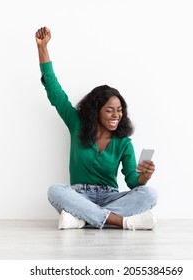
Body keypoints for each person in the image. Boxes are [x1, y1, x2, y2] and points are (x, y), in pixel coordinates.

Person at [35, 26, 158, 230]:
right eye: (110, 110)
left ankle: (82, 218)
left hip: (111, 197)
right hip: (78, 195)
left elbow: (133, 181)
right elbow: (53, 89)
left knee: (150, 194)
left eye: (119, 110)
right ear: (96, 111)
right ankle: (118, 221)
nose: (116, 115)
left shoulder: (124, 143)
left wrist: (144, 176)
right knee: (55, 190)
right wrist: (42, 47)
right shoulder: (76, 123)